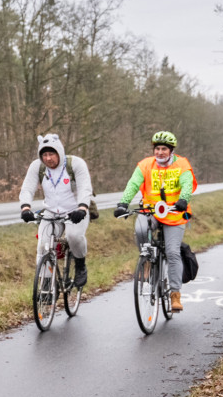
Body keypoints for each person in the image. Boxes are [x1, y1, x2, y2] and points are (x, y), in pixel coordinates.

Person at [113, 130, 197, 311]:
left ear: (171, 150)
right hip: (150, 211)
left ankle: (175, 295)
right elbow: (133, 183)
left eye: (164, 149)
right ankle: (148, 263)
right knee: (142, 232)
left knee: (173, 252)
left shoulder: (181, 164)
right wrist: (123, 203)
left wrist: (183, 199)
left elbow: (187, 184)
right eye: (157, 148)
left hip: (174, 213)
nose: (160, 152)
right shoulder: (145, 165)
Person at [18, 133, 94, 287]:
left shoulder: (75, 164)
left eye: (51, 154)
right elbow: (27, 188)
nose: (48, 158)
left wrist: (82, 208)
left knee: (74, 236)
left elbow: (85, 188)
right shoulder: (37, 167)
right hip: (51, 212)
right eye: (44, 155)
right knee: (43, 244)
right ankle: (47, 281)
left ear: (59, 152)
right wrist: (25, 207)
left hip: (75, 211)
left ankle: (80, 265)